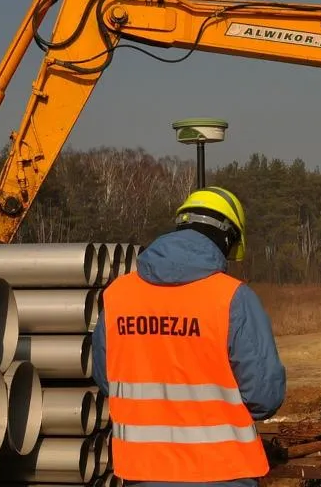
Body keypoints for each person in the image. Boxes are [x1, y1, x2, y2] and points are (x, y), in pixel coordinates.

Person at [91, 186, 286, 487]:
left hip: (142, 473)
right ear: (228, 238)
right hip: (224, 473)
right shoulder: (233, 298)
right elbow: (264, 396)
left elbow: (108, 380)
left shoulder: (118, 296)